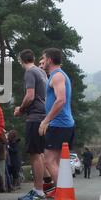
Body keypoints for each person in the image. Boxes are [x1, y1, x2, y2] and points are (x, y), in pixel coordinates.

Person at [15, 49, 48, 200]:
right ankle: (40, 189)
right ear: (33, 58)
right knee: (40, 153)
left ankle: (38, 192)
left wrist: (20, 109)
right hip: (44, 115)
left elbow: (30, 96)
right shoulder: (41, 72)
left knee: (34, 155)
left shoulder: (29, 72)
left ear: (21, 60)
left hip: (34, 116)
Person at [38, 48, 75, 187]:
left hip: (59, 124)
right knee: (57, 161)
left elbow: (61, 100)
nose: (42, 60)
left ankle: (63, 193)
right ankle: (62, 192)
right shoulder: (57, 75)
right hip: (63, 124)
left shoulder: (57, 76)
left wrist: (46, 121)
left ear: (49, 60)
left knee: (48, 160)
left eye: (43, 58)